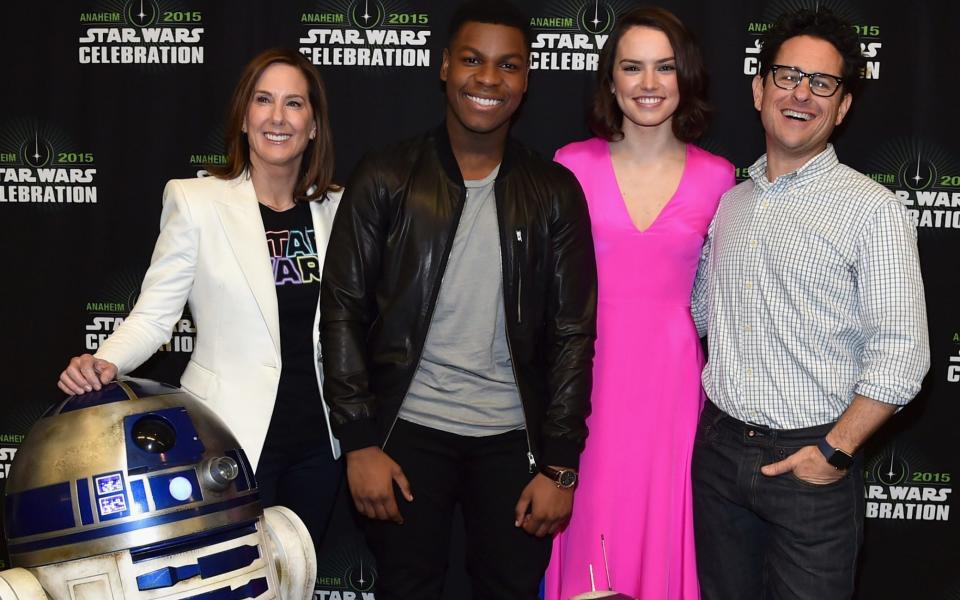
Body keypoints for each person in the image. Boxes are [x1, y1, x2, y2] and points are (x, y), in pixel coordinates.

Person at [318, 1, 598, 598]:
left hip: (512, 442)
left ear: (526, 78)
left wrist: (561, 464)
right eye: (472, 60)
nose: (488, 79)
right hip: (407, 433)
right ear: (444, 66)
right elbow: (342, 309)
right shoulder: (386, 176)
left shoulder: (553, 191)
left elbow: (573, 334)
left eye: (508, 65)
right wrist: (360, 440)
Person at [57, 48, 344, 553]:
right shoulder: (196, 201)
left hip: (321, 446)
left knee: (297, 583)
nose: (277, 117)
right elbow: (154, 316)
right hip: (226, 436)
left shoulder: (339, 209)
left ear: (314, 125)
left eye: (294, 104)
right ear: (244, 117)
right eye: (263, 100)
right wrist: (103, 363)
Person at [690, 8, 929, 600]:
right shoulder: (732, 204)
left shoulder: (873, 211)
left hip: (812, 466)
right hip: (719, 454)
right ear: (758, 88)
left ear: (843, 106)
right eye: (787, 76)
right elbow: (702, 314)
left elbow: (903, 355)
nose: (801, 94)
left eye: (822, 83)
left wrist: (834, 451)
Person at [543, 7, 734, 600]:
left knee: (663, 529)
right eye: (633, 67)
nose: (649, 84)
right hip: (587, 382)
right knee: (588, 528)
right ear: (611, 79)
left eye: (665, 67)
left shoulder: (720, 177)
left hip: (674, 391)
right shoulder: (570, 165)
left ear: (687, 77)